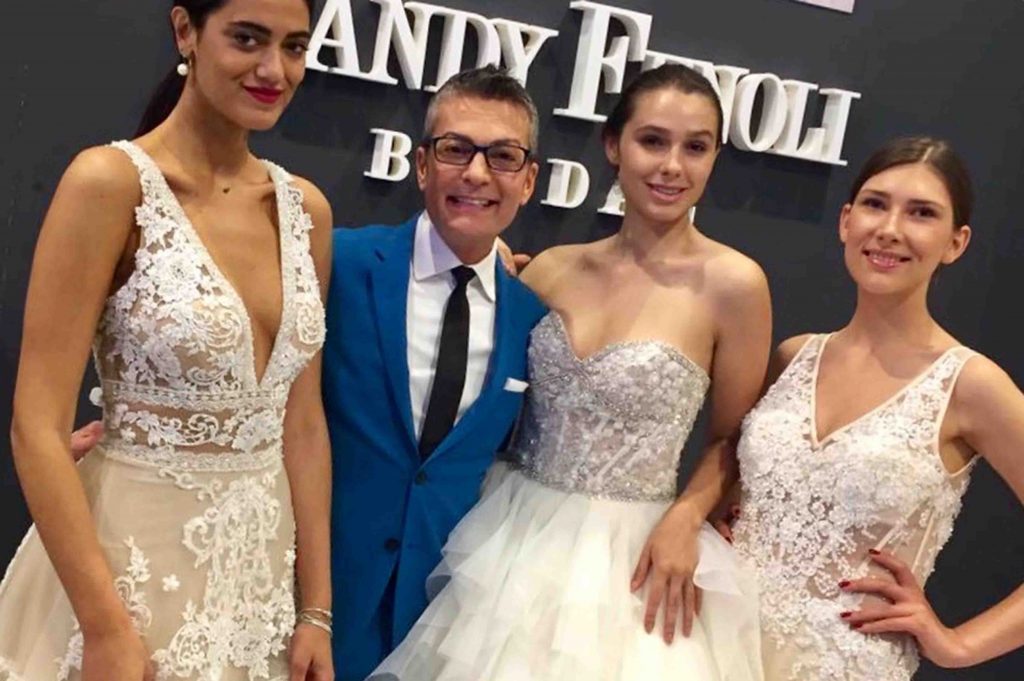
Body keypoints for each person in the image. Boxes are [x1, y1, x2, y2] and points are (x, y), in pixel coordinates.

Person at [371, 63, 770, 681]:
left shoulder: (735, 285)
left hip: (631, 556)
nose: (672, 166)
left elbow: (733, 437)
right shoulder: (550, 271)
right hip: (506, 533)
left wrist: (686, 518)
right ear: (614, 145)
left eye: (696, 147)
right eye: (653, 141)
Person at [0, 1, 335, 680]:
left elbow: (301, 423)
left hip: (258, 592)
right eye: (248, 39)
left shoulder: (306, 210)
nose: (274, 70)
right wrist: (105, 628)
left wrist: (316, 610)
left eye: (294, 47)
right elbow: (36, 425)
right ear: (186, 31)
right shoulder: (109, 183)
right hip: (125, 575)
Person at [731, 137, 1024, 680]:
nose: (890, 229)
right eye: (875, 204)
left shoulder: (969, 385)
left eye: (921, 213)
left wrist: (959, 645)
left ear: (956, 242)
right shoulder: (793, 358)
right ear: (846, 220)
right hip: (718, 646)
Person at [321, 66, 547, 681]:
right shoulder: (339, 262)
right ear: (422, 165)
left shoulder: (533, 319)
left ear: (528, 181)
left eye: (502, 156)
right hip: (316, 598)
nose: (476, 173)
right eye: (455, 150)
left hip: (439, 622)